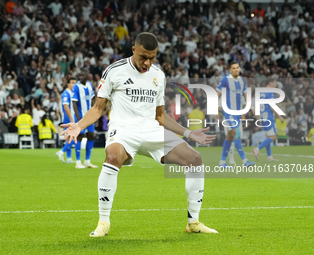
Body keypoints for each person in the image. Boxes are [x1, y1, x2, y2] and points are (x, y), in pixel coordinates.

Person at [61, 32, 218, 237]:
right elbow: (98, 108)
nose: (147, 62)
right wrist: (79, 126)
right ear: (133, 50)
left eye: (152, 57)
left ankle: (193, 222)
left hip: (152, 130)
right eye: (143, 56)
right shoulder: (114, 71)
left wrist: (188, 133)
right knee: (113, 157)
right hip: (124, 131)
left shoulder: (158, 75)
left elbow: (160, 117)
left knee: (195, 159)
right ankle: (103, 222)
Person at [217, 61, 255, 168]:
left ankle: (222, 162)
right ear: (230, 70)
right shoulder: (225, 80)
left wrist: (251, 107)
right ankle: (245, 161)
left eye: (237, 67)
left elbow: (246, 94)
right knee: (236, 133)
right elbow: (217, 94)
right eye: (233, 68)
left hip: (238, 113)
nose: (236, 70)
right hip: (229, 111)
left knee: (229, 136)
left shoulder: (242, 80)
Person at [252, 79, 284, 161]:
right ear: (270, 82)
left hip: (263, 117)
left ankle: (269, 156)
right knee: (273, 136)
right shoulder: (270, 92)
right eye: (274, 82)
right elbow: (272, 106)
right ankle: (257, 149)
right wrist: (279, 116)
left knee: (268, 137)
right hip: (269, 117)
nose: (275, 84)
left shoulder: (261, 93)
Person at [71, 71, 98, 169]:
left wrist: (94, 115)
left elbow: (92, 100)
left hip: (89, 116)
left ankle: (87, 161)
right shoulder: (76, 87)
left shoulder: (90, 85)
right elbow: (74, 104)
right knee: (80, 136)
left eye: (82, 75)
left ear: (87, 76)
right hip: (80, 116)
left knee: (91, 136)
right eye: (79, 75)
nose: (80, 77)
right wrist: (79, 119)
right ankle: (78, 162)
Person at [56, 77, 77, 163]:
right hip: (69, 118)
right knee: (74, 137)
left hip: (72, 118)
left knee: (69, 137)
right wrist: (71, 119)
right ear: (68, 84)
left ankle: (69, 158)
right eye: (72, 82)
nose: (74, 84)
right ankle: (61, 151)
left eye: (75, 83)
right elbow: (66, 106)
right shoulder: (66, 93)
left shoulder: (72, 93)